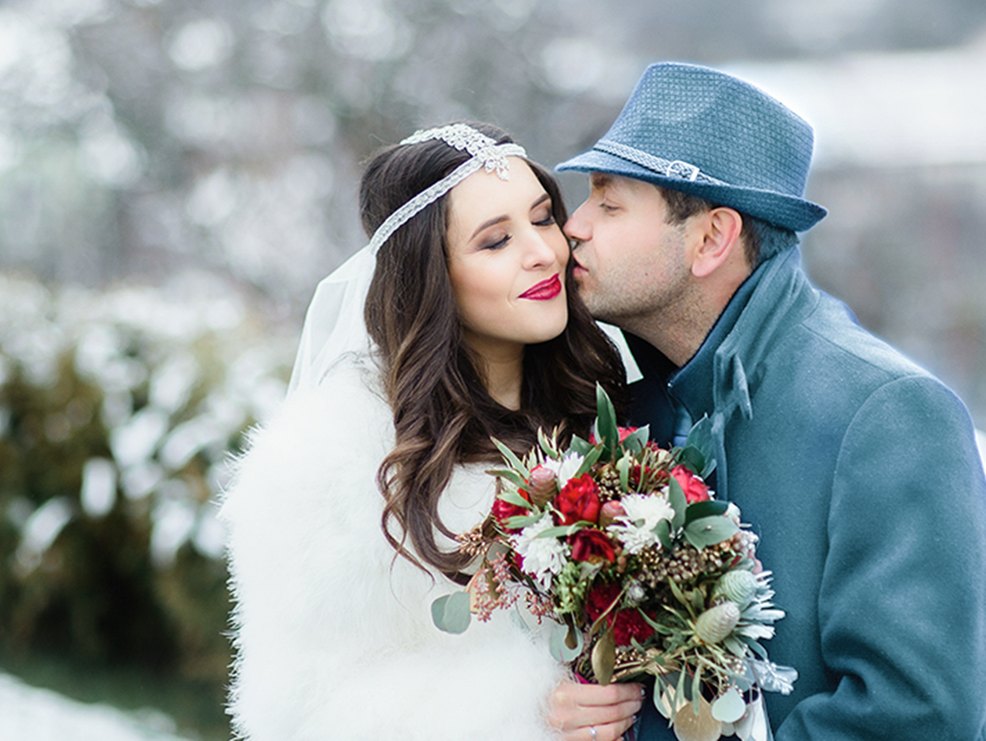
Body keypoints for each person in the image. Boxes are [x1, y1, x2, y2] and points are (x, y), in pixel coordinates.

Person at [555, 62, 986, 739]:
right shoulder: (630, 408)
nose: (573, 226)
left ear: (711, 239)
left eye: (609, 203)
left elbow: (918, 717)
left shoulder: (890, 413)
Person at [220, 122, 644, 740]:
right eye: (496, 241)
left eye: (543, 217)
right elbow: (302, 708)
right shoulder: (330, 457)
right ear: (431, 275)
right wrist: (533, 711)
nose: (543, 252)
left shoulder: (610, 404)